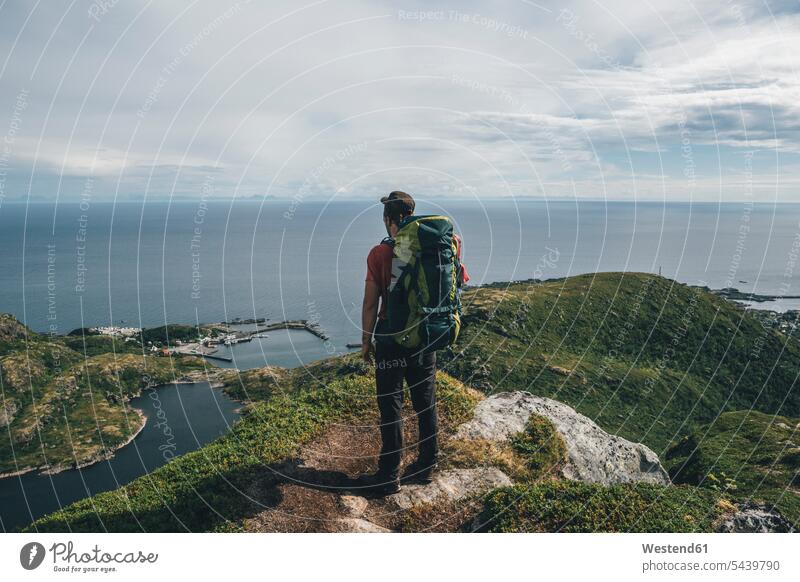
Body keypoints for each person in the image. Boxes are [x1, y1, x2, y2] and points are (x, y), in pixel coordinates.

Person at [356, 191, 468, 496]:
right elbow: (459, 281)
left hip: (392, 337)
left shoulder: (380, 253)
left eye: (385, 220)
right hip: (426, 333)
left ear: (390, 221)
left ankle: (388, 476)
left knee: (391, 405)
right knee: (425, 401)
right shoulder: (446, 243)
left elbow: (370, 304)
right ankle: (427, 465)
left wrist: (366, 342)